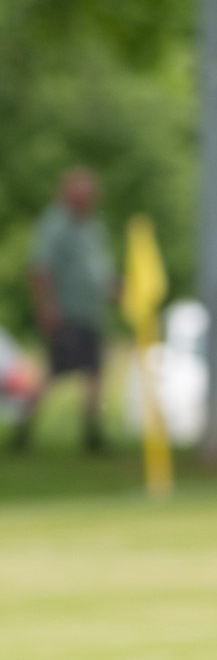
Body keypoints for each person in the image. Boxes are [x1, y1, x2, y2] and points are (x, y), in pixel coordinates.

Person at [12, 168, 117, 452]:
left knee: (95, 371)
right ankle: (23, 429)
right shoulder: (55, 224)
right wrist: (47, 306)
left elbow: (98, 270)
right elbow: (40, 267)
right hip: (66, 311)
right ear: (68, 195)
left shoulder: (94, 228)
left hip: (91, 312)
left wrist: (113, 288)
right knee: (55, 371)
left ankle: (93, 434)